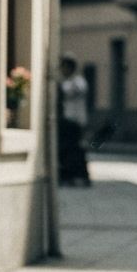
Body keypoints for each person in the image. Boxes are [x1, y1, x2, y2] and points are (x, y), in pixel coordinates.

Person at [57, 53, 91, 186]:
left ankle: (80, 177)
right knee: (67, 151)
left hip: (75, 121)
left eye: (64, 67)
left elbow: (70, 90)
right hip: (67, 121)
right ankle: (69, 176)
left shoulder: (78, 82)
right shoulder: (68, 81)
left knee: (76, 151)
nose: (62, 70)